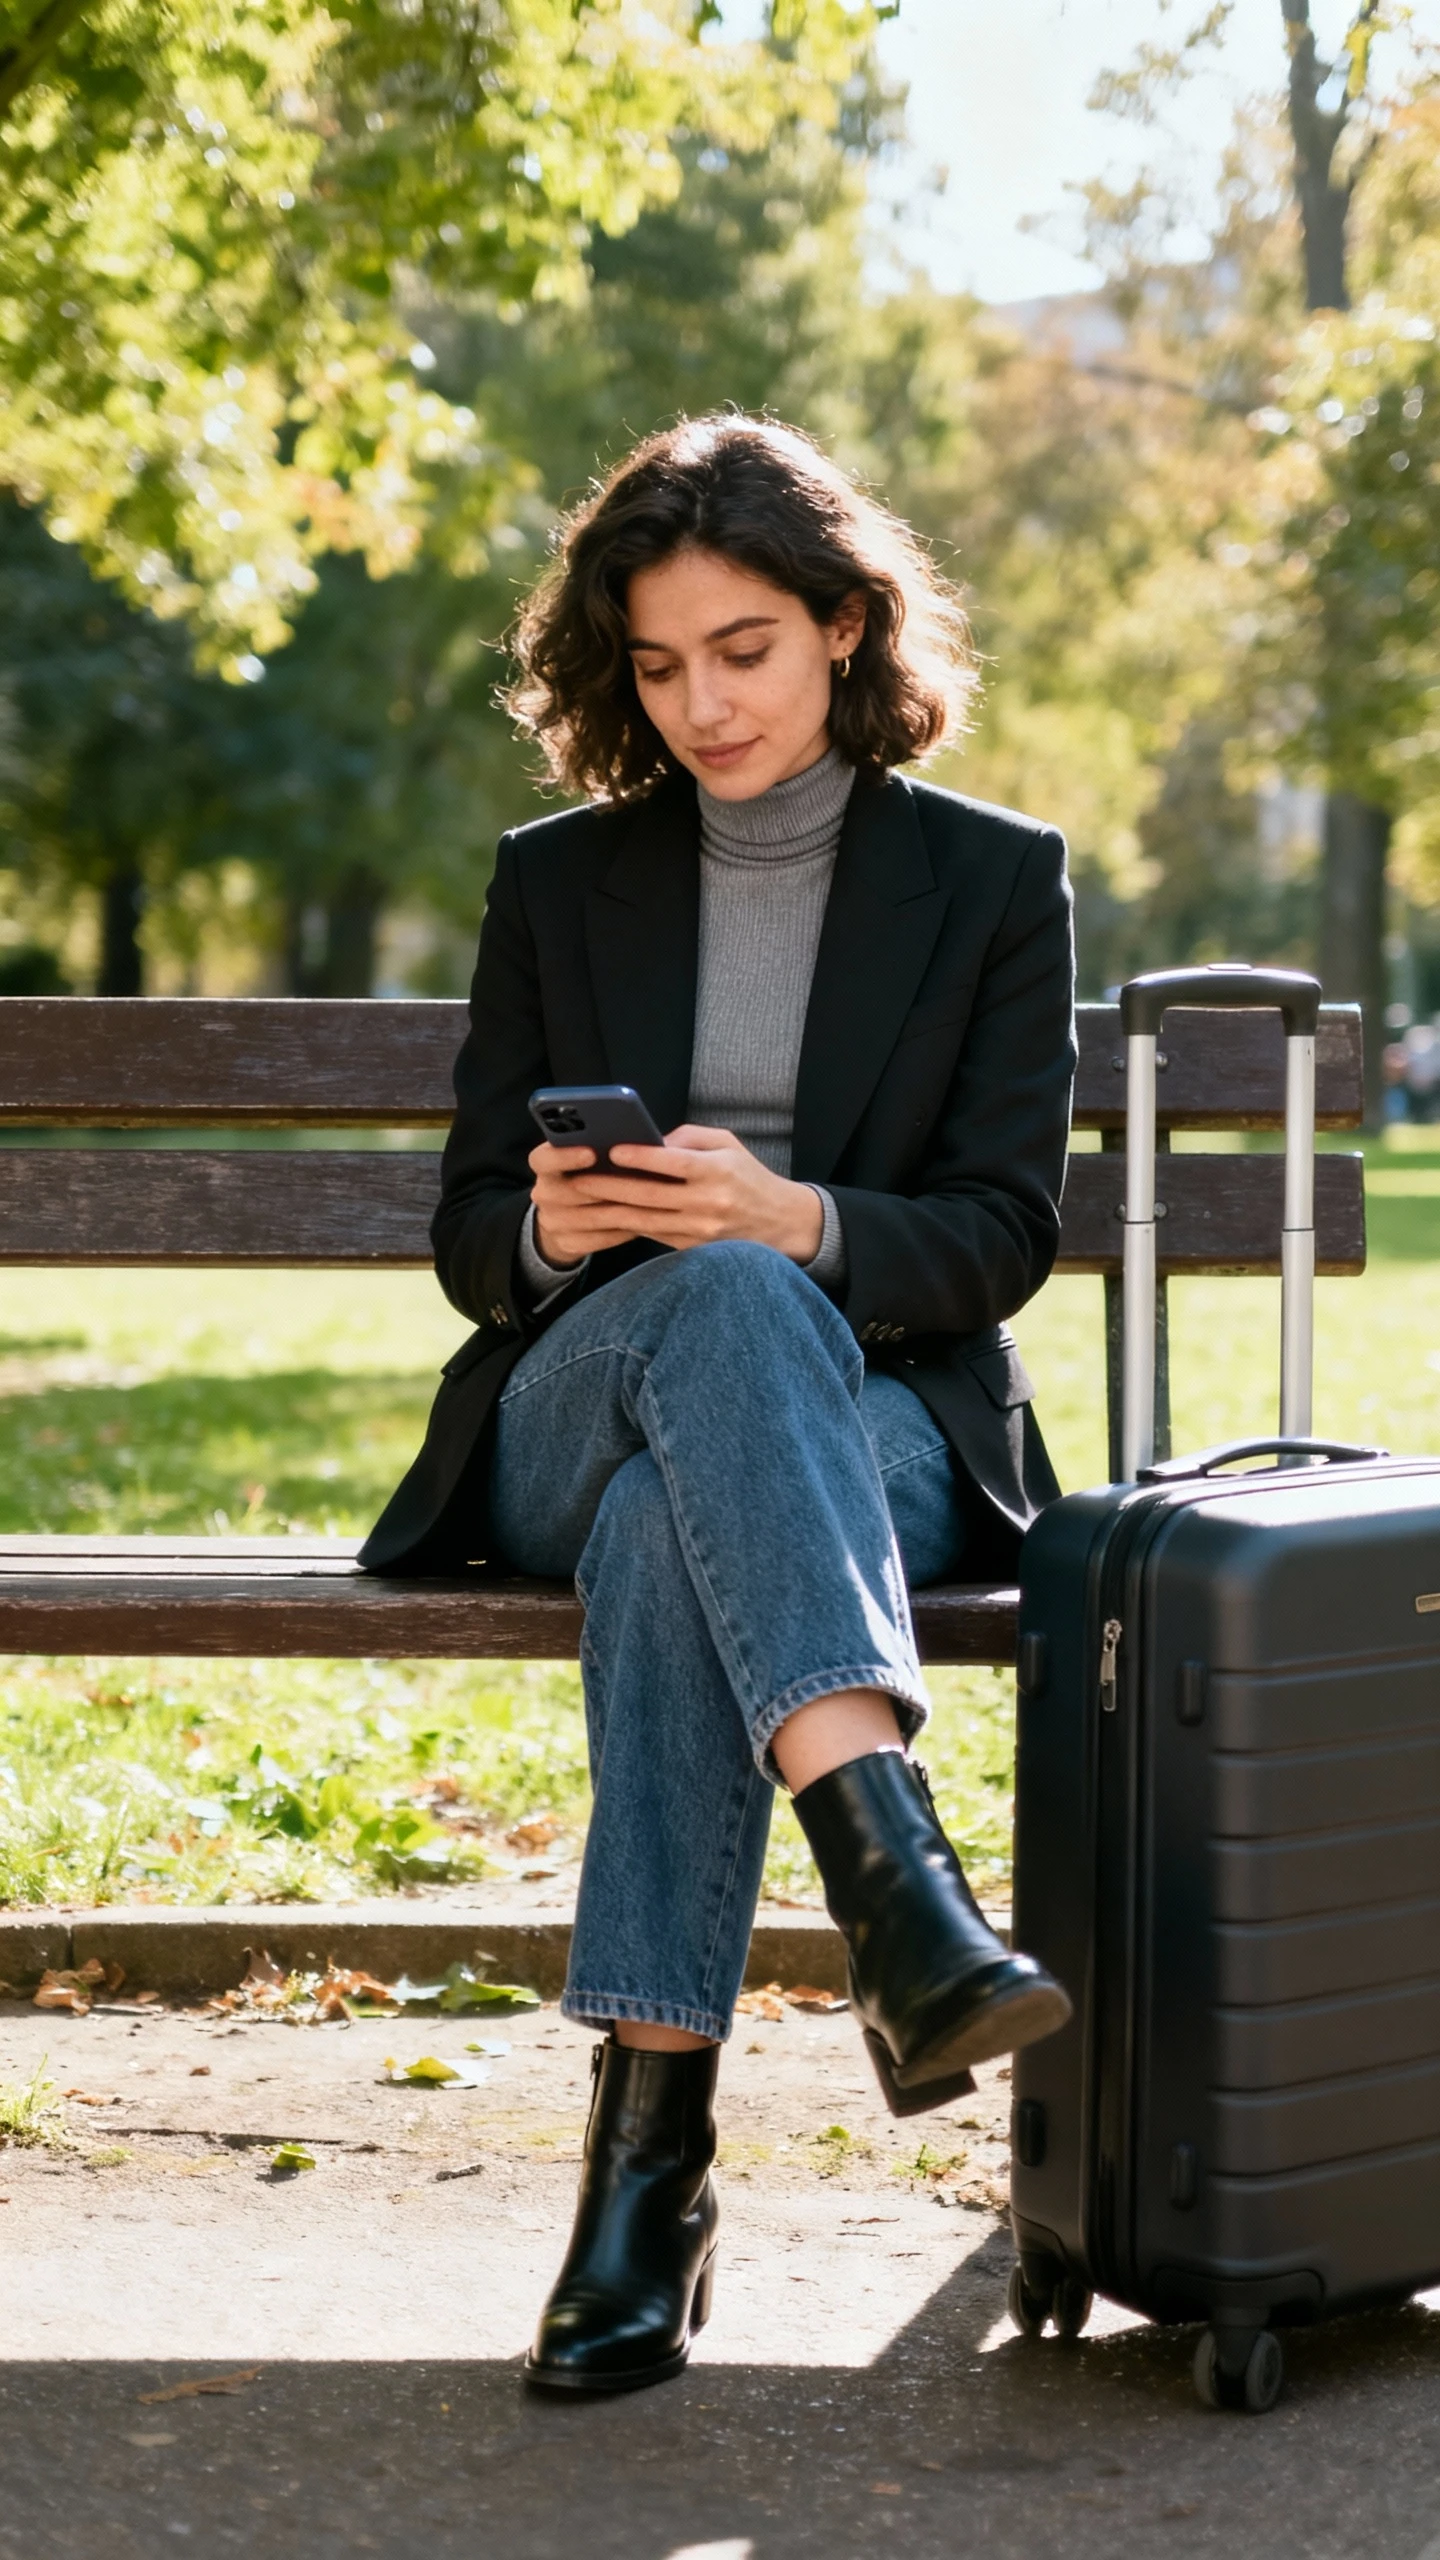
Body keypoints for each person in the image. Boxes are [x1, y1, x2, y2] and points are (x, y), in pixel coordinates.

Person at [362, 414, 1076, 2397]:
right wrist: (550, 1221)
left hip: (884, 1428)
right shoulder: (560, 881)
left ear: (847, 627)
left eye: (745, 649)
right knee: (710, 1323)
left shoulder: (995, 882)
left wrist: (796, 1218)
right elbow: (463, 1243)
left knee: (711, 1477)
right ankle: (895, 1884)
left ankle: (647, 2164)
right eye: (661, 666)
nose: (703, 703)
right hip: (582, 1388)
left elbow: (1002, 1232)